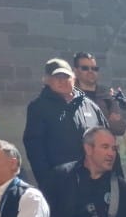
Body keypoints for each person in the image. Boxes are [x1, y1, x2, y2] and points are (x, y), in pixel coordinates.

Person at [22, 58, 107, 188]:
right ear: (46, 80)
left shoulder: (90, 106)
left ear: (73, 77)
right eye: (57, 77)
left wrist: (113, 178)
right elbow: (35, 149)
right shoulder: (38, 108)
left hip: (95, 182)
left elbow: (107, 140)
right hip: (61, 185)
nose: (62, 81)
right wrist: (47, 182)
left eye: (65, 76)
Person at [70, 52, 125, 136]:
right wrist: (107, 121)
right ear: (76, 71)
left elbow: (121, 129)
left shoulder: (107, 95)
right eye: (85, 68)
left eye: (94, 68)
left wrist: (114, 122)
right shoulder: (69, 95)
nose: (90, 71)